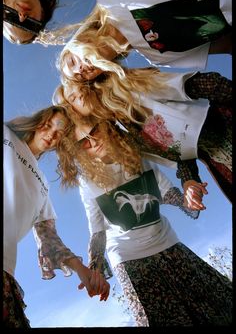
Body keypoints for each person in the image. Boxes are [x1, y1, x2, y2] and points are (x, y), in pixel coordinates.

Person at [56, 118, 232, 326]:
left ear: (105, 125)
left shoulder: (135, 154)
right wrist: (95, 267)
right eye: (84, 142)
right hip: (128, 256)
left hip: (166, 241)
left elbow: (166, 193)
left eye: (94, 131)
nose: (93, 142)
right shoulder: (88, 182)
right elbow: (98, 230)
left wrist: (188, 198)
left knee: (219, 303)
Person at [52, 67, 232, 203]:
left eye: (78, 90)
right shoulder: (125, 132)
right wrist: (189, 181)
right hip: (220, 160)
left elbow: (202, 85)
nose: (80, 97)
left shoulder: (131, 86)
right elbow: (181, 148)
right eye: (71, 101)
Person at [3, 105, 110, 328]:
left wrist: (84, 272)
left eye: (59, 133)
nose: (51, 134)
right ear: (38, 120)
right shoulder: (6, 135)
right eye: (48, 124)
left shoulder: (43, 185)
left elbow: (49, 241)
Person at [56, 0, 231, 78]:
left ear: (78, 39)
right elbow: (227, 45)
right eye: (81, 77)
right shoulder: (158, 57)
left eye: (72, 61)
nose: (81, 70)